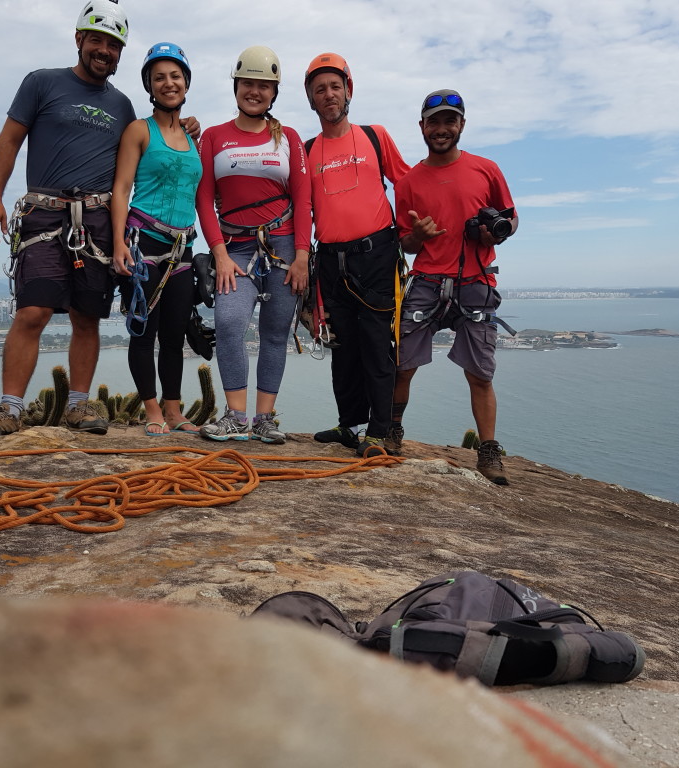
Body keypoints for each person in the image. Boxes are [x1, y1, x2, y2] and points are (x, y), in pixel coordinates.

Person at [0, 2, 198, 440]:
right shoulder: (42, 83)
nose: (104, 51)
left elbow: (151, 145)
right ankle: (10, 407)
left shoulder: (123, 104)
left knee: (86, 314)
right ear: (79, 40)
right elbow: (10, 139)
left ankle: (78, 404)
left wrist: (186, 124)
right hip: (45, 212)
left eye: (113, 45)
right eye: (97, 40)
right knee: (33, 311)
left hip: (95, 219)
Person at [392, 89, 518, 484]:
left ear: (462, 124)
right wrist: (416, 235)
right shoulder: (409, 181)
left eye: (450, 121)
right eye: (435, 122)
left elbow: (511, 220)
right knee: (401, 364)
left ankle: (488, 451)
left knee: (480, 374)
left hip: (476, 279)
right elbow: (404, 242)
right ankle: (393, 432)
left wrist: (494, 234)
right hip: (427, 279)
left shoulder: (487, 170)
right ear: (422, 127)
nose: (442, 129)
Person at [195, 46, 312, 444]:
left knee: (276, 332)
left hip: (282, 245)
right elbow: (203, 198)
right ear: (236, 86)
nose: (255, 92)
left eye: (264, 86)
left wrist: (302, 256)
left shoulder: (289, 138)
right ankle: (235, 416)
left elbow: (303, 198)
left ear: (274, 92)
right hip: (235, 247)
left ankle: (264, 420)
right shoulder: (213, 137)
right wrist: (220, 254)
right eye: (249, 83)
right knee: (228, 323)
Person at [303, 53, 410, 458]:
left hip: (377, 255)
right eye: (319, 90)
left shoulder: (374, 136)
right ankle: (350, 424)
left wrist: (419, 230)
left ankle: (380, 432)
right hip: (331, 260)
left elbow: (409, 184)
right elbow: (299, 210)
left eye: (335, 86)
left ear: (349, 90)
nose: (328, 95)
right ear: (312, 100)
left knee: (377, 345)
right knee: (343, 347)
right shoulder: (308, 150)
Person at [110, 43, 202, 436]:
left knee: (176, 333)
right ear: (149, 85)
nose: (169, 83)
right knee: (144, 331)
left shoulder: (193, 134)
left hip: (182, 247)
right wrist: (117, 244)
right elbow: (121, 188)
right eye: (160, 77)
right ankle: (152, 410)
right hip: (143, 242)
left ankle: (174, 409)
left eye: (175, 76)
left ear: (186, 83)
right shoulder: (138, 130)